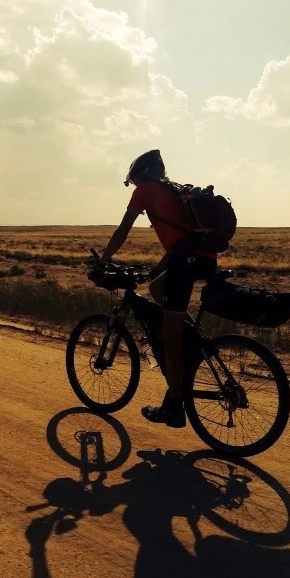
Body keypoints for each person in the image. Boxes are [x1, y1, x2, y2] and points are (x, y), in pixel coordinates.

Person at [98, 150, 218, 428]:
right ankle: (196, 339)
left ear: (141, 175)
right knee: (156, 286)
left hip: (185, 261)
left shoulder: (146, 191)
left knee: (170, 337)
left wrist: (103, 260)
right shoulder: (174, 190)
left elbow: (122, 230)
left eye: (135, 180)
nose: (136, 186)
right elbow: (182, 240)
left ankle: (175, 407)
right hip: (203, 258)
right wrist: (159, 267)